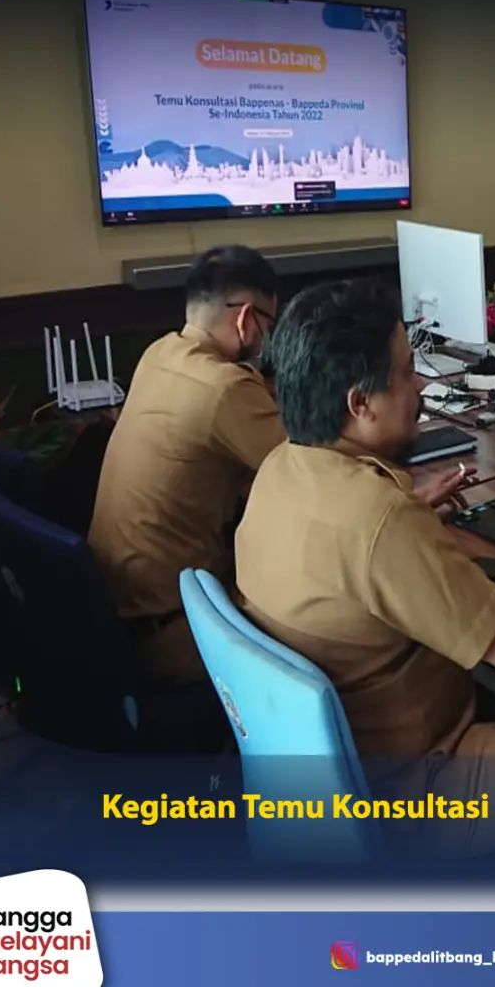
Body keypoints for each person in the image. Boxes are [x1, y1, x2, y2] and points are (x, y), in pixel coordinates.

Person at [235, 278, 495, 855]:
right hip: (403, 791)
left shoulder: (280, 468)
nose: (421, 389)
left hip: (314, 781)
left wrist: (404, 515)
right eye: (407, 374)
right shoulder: (377, 518)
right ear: (360, 404)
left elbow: (354, 546)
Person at [89, 245, 284, 688]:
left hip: (117, 614)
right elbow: (314, 477)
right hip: (176, 631)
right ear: (246, 318)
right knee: (330, 618)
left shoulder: (158, 354)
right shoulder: (225, 387)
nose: (267, 339)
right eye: (270, 325)